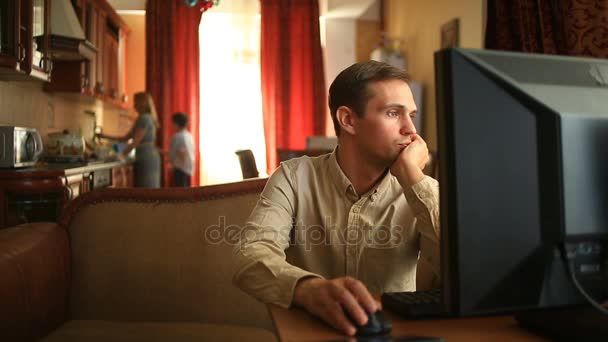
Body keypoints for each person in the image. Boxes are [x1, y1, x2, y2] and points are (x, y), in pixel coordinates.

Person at [232, 61, 440, 336]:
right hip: (310, 332)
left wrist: (413, 177)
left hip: (392, 335)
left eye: (411, 115)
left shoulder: (421, 189)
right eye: (393, 113)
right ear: (348, 120)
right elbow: (249, 255)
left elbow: (464, 270)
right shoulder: (295, 177)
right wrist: (307, 289)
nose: (410, 131)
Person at [98, 92, 161, 188]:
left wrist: (122, 155)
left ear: (142, 103)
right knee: (148, 191)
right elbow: (125, 138)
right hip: (148, 156)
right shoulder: (146, 118)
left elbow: (136, 141)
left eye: (136, 102)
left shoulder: (144, 118)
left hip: (146, 157)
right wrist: (103, 136)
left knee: (146, 190)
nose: (134, 105)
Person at [169, 112, 195, 187]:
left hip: (180, 169)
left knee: (180, 193)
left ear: (176, 124)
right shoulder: (189, 136)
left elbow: (172, 155)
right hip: (189, 169)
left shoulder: (177, 137)